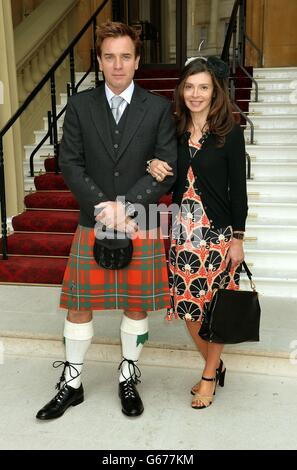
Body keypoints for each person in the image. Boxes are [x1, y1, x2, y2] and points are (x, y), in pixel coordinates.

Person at [36, 21, 177, 420]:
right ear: (100, 61)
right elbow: (70, 163)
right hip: (92, 217)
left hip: (140, 220)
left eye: (125, 57)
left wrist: (126, 206)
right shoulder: (80, 106)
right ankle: (72, 384)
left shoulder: (159, 108)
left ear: (136, 61)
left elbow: (166, 165)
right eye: (110, 57)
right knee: (79, 307)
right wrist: (104, 208)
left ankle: (128, 377)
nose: (118, 65)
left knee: (136, 306)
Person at [147, 56, 248, 409]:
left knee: (215, 310)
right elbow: (164, 171)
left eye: (203, 87)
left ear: (214, 90)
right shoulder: (172, 131)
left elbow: (239, 190)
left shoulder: (229, 133)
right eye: (189, 87)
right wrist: (153, 164)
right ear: (181, 90)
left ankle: (208, 377)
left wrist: (238, 239)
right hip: (181, 234)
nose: (196, 94)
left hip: (217, 236)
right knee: (189, 309)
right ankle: (215, 363)